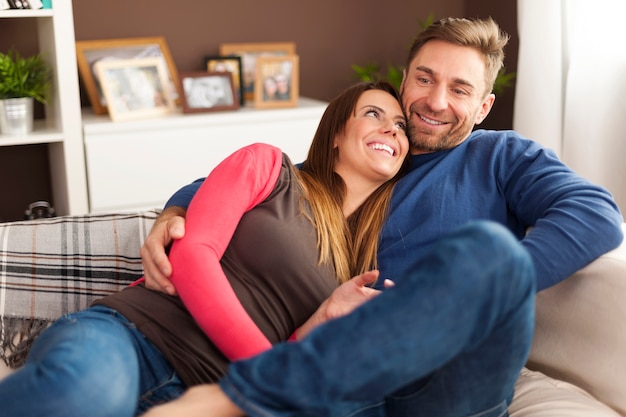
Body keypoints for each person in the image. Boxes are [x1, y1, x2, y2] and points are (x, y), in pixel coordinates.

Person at [140, 16, 623, 417]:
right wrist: (178, 208)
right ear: (405, 79)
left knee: (490, 251)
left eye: (460, 89)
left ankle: (246, 395)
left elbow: (596, 213)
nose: (436, 101)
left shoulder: (501, 156)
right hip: (355, 380)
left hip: (454, 378)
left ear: (483, 107)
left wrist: (482, 289)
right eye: (425, 79)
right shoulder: (373, 159)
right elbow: (269, 181)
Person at [0, 81, 410, 417]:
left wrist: (318, 322)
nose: (392, 129)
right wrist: (267, 370)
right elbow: (192, 257)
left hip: (220, 397)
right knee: (81, 398)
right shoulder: (271, 169)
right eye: (373, 113)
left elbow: (293, 350)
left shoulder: (360, 266)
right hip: (137, 338)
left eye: (400, 125)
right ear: (335, 133)